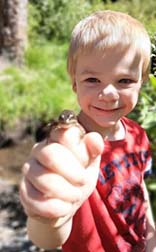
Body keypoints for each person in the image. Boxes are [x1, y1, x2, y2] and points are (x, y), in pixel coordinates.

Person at [20, 10, 156, 252]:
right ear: (74, 83)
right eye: (93, 80)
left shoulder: (138, 136)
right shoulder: (68, 148)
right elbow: (47, 239)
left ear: (141, 81)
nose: (109, 94)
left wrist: (151, 237)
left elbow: (140, 188)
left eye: (124, 81)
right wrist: (48, 217)